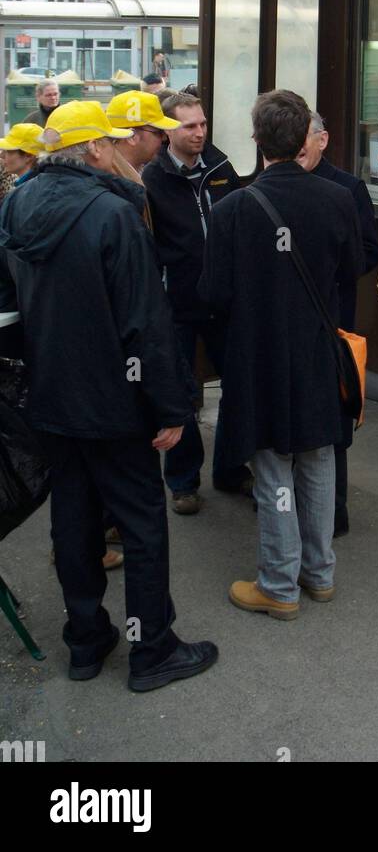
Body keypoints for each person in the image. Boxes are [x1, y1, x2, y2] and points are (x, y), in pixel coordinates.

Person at [0, 101, 217, 690]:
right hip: (115, 403)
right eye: (114, 142)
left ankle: (85, 643)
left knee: (73, 519)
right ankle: (151, 653)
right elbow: (146, 322)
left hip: (50, 398)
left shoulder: (17, 204)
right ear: (94, 149)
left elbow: (9, 310)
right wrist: (171, 408)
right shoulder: (112, 214)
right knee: (142, 525)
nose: (122, 149)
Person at [199, 90, 363, 621]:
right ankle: (319, 574)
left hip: (258, 355)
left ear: (257, 141)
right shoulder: (338, 199)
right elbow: (349, 269)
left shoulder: (232, 209)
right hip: (318, 349)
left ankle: (278, 584)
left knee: (273, 470)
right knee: (317, 459)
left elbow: (213, 295)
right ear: (303, 141)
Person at [141, 89, 248, 513]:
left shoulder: (221, 167)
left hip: (224, 300)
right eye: (190, 125)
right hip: (177, 304)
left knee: (238, 386)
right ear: (169, 130)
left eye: (202, 123)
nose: (200, 132)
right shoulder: (152, 179)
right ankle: (183, 481)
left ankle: (231, 469)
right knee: (182, 395)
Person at [296, 111, 378, 536]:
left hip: (335, 321)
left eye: (304, 139)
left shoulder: (348, 188)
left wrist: (331, 271)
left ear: (323, 139)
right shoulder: (277, 185)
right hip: (292, 322)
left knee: (334, 416)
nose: (297, 149)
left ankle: (333, 512)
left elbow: (369, 251)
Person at [0, 124, 42, 196]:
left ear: (29, 156)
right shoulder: (26, 186)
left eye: (9, 151)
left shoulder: (32, 192)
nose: (1, 155)